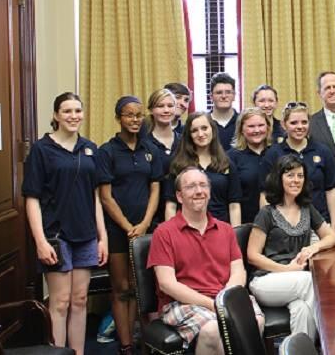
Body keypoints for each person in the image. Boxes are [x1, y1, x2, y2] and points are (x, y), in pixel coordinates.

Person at [22, 92, 107, 355]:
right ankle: (57, 352)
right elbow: (32, 199)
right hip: (56, 236)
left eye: (78, 111)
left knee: (80, 300)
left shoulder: (90, 148)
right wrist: (40, 241)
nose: (73, 116)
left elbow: (95, 197)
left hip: (86, 235)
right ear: (56, 116)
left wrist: (102, 237)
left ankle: (78, 352)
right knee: (60, 302)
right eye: (67, 111)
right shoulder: (41, 150)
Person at [148, 167, 264, 355]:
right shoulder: (164, 232)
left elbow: (239, 272)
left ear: (209, 192)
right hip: (182, 303)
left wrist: (225, 299)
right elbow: (167, 284)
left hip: (223, 297)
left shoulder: (226, 230)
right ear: (179, 196)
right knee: (212, 329)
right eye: (191, 187)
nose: (199, 191)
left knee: (255, 321)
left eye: (203, 185)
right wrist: (212, 304)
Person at [96, 95, 163, 355]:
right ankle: (125, 346)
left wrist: (145, 223)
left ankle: (139, 341)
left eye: (138, 115)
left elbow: (155, 188)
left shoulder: (150, 150)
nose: (135, 120)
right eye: (128, 115)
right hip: (117, 230)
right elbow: (105, 196)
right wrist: (127, 227)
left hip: (145, 229)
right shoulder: (107, 151)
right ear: (118, 118)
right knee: (121, 288)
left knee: (139, 288)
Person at [247, 155, 335, 341]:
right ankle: (332, 342)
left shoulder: (306, 208)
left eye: (300, 176)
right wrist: (286, 269)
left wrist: (313, 248)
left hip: (294, 283)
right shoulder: (267, 212)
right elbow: (252, 256)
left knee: (302, 310)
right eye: (290, 175)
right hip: (266, 280)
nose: (296, 180)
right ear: (279, 178)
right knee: (310, 281)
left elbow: (332, 237)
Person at [262, 102, 335, 233]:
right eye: (294, 123)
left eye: (304, 122)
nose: (300, 127)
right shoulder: (273, 154)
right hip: (284, 227)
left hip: (319, 224)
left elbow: (331, 190)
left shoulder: (322, 151)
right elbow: (265, 194)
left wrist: (334, 227)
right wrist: (268, 227)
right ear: (283, 124)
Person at [165, 112, 242, 225]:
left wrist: (235, 237)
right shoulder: (178, 164)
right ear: (189, 135)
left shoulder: (226, 163)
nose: (200, 134)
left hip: (220, 229)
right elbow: (171, 205)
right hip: (186, 229)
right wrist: (171, 236)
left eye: (204, 128)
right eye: (194, 130)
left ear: (213, 130)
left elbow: (234, 205)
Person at [228, 107, 272, 224]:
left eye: (261, 125)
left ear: (268, 127)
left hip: (277, 224)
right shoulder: (231, 157)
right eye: (251, 126)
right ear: (241, 129)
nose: (256, 130)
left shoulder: (277, 152)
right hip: (245, 222)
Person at [145, 88, 180, 224]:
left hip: (180, 209)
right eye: (160, 106)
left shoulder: (184, 142)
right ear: (151, 110)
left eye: (170, 106)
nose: (166, 110)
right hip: (151, 212)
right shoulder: (144, 144)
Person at [209, 72, 239, 151]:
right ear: (211, 97)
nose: (224, 96)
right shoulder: (203, 122)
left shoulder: (244, 121)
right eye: (219, 93)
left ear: (234, 96)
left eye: (228, 92)